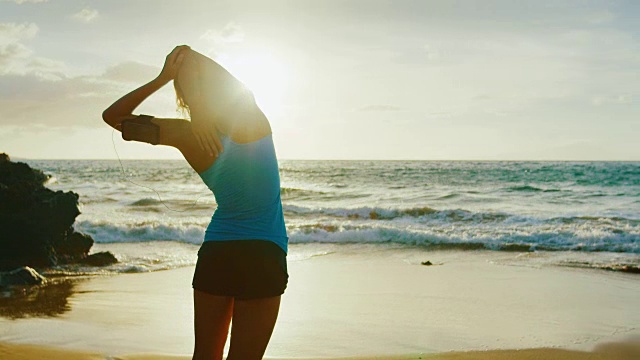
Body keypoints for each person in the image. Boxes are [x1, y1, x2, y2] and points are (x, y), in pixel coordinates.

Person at [102, 45, 289, 360]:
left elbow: (113, 117)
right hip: (263, 253)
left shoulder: (183, 134)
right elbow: (187, 54)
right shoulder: (249, 120)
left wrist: (163, 78)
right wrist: (199, 104)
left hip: (218, 251)